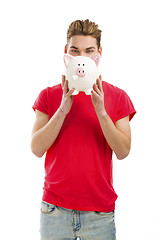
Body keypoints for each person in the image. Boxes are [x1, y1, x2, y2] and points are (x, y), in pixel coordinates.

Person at [31, 19, 136, 240]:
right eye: (75, 50)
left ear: (98, 53)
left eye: (89, 51)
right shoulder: (48, 95)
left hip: (99, 214)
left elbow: (123, 151)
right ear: (66, 53)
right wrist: (62, 110)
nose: (82, 58)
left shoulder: (117, 97)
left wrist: (102, 111)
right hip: (54, 211)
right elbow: (37, 148)